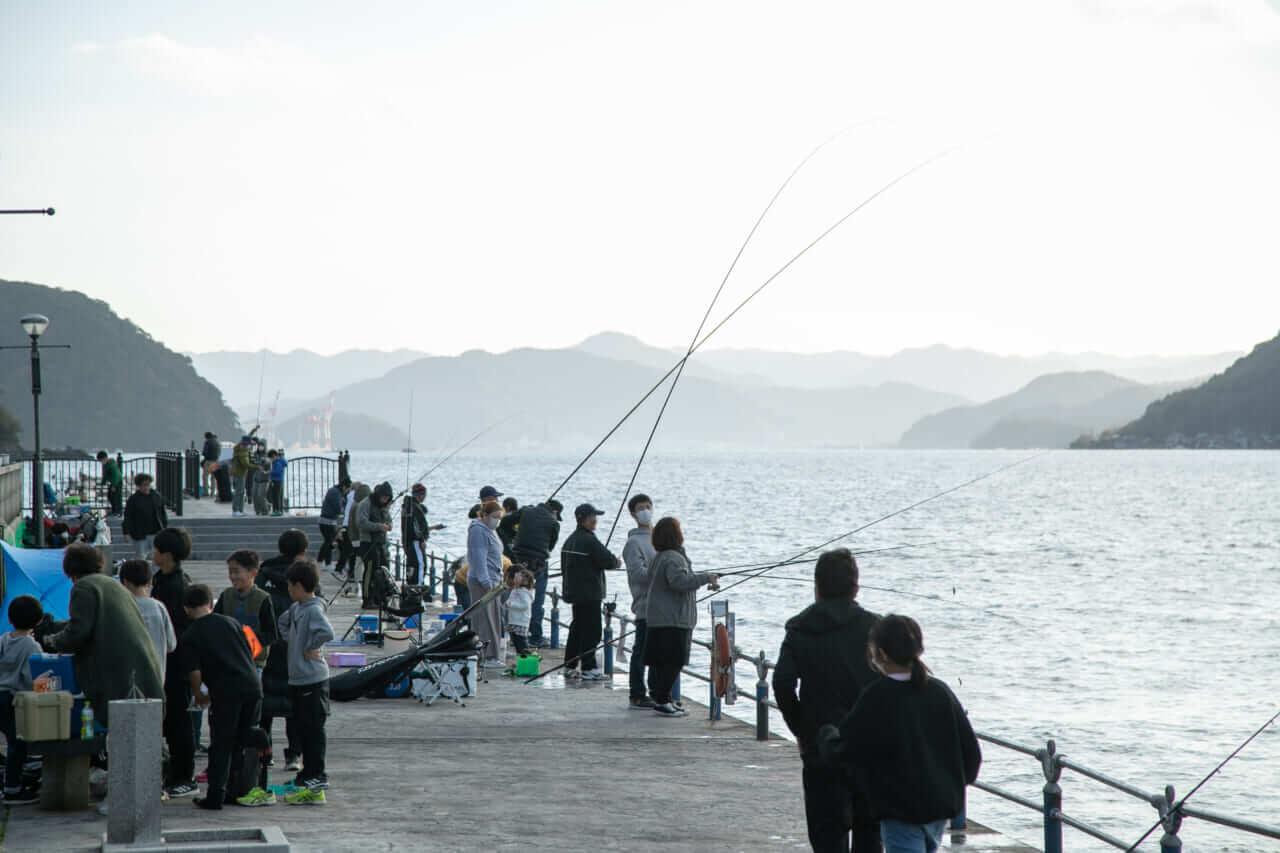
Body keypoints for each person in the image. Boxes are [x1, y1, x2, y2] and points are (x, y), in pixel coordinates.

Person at [818, 615, 981, 853]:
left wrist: (826, 734)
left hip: (901, 811)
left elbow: (846, 749)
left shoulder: (877, 696)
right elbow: (971, 753)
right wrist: (951, 786)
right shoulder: (940, 692)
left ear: (881, 654)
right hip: (938, 808)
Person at [773, 548, 882, 853]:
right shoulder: (875, 628)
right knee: (870, 835)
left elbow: (782, 684)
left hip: (819, 746)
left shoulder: (799, 628)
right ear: (856, 587)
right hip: (868, 750)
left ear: (817, 587)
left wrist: (801, 729)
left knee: (827, 838)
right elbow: (891, 686)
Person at [42, 544, 164, 728]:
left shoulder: (83, 587)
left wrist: (51, 640)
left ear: (71, 569)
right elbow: (96, 620)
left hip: (117, 675)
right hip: (140, 669)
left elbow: (78, 632)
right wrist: (58, 627)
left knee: (123, 731)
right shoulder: (113, 584)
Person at [181, 584, 265, 810]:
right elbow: (253, 650)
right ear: (210, 603)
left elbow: (194, 671)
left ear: (186, 609)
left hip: (227, 693)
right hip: (253, 686)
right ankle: (239, 790)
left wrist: (198, 694)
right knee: (241, 740)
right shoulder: (232, 623)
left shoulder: (191, 634)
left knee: (221, 744)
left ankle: (215, 796)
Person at [644, 517, 718, 716]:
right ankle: (662, 700)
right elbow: (679, 582)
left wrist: (701, 577)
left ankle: (664, 698)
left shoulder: (660, 557)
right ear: (676, 535)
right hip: (673, 619)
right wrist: (705, 578)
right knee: (674, 661)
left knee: (661, 661)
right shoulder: (673, 558)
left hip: (659, 617)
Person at [277, 558, 334, 802]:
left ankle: (317, 774)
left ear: (300, 586)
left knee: (313, 729)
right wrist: (293, 638)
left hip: (313, 678)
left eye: (290, 587)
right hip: (298, 678)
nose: (289, 591)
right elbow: (282, 621)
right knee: (302, 727)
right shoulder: (297, 608)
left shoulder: (312, 608)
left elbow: (327, 632)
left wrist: (310, 646)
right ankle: (306, 774)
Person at [149, 527, 198, 798]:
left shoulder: (179, 586)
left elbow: (182, 629)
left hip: (177, 663)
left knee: (180, 722)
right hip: (163, 662)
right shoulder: (160, 580)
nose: (153, 553)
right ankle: (173, 772)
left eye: (156, 548)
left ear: (167, 554)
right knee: (170, 721)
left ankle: (184, 776)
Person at [256, 530, 309, 772]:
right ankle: (294, 755)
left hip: (264, 649)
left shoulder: (263, 573)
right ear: (302, 552)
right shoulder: (303, 577)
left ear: (279, 549)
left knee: (263, 703)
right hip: (294, 650)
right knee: (295, 706)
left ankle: (263, 751)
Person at [560, 503, 620, 681]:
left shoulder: (570, 540)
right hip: (590, 593)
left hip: (575, 593)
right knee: (592, 631)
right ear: (584, 519)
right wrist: (616, 562)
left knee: (577, 629)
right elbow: (607, 560)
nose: (596, 520)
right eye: (594, 517)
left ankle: (570, 665)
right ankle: (588, 667)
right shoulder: (589, 539)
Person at [0, 595, 44, 804]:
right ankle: (12, 789)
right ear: (38, 621)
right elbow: (31, 679)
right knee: (17, 744)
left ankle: (9, 781)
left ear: (10, 619)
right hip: (12, 700)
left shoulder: (3, 639)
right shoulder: (31, 646)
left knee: (10, 742)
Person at [621, 493, 656, 709]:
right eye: (641, 507)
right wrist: (662, 572)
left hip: (663, 607)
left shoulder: (657, 538)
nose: (646, 510)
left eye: (649, 506)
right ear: (633, 514)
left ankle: (657, 693)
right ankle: (637, 693)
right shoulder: (633, 543)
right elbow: (638, 575)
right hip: (644, 606)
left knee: (657, 653)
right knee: (641, 651)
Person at [511, 499, 562, 648]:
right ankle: (535, 637)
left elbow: (507, 522)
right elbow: (551, 546)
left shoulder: (526, 511)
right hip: (539, 564)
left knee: (516, 598)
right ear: (555, 512)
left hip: (518, 561)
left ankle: (516, 635)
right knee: (537, 602)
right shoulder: (554, 523)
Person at [217, 550, 277, 671]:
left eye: (237, 572)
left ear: (253, 573)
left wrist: (248, 638)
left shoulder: (263, 599)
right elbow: (215, 624)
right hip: (228, 661)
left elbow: (271, 635)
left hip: (254, 664)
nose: (233, 576)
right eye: (230, 572)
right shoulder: (226, 596)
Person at [119, 559, 178, 681]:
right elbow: (171, 645)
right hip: (157, 679)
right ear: (150, 582)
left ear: (124, 582)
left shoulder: (119, 607)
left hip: (128, 680)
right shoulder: (159, 607)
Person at [466, 500, 506, 665]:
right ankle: (486, 655)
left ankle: (492, 654)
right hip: (483, 582)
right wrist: (486, 582)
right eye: (495, 517)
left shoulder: (489, 531)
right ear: (485, 515)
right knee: (484, 620)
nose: (497, 520)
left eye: (499, 517)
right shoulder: (478, 531)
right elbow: (479, 558)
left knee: (493, 619)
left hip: (494, 580)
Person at [356, 482, 394, 610]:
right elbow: (361, 523)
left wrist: (388, 525)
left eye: (387, 499)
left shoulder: (383, 506)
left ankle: (379, 598)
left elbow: (388, 518)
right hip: (368, 543)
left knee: (383, 570)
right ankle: (367, 599)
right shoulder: (365, 504)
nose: (385, 501)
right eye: (384, 498)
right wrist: (378, 526)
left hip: (380, 544)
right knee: (370, 572)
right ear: (378, 495)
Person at [402, 483, 444, 585]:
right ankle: (418, 588)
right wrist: (422, 540)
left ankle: (411, 586)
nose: (424, 498)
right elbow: (417, 528)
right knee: (420, 565)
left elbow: (413, 527)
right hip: (415, 542)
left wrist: (433, 528)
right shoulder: (416, 508)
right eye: (424, 495)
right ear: (420, 495)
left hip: (407, 541)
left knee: (412, 565)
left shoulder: (407, 506)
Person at [122, 472, 167, 559]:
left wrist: (164, 528)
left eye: (148, 485)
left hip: (156, 532)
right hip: (139, 534)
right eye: (144, 485)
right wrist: (126, 532)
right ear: (138, 486)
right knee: (140, 557)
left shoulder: (156, 496)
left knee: (158, 558)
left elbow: (162, 514)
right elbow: (127, 517)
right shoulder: (133, 499)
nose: (147, 487)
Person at [337, 482, 369, 581]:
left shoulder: (352, 499)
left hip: (348, 528)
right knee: (353, 554)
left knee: (352, 554)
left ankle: (350, 573)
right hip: (353, 531)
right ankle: (350, 574)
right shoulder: (357, 502)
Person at [317, 478, 350, 571]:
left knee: (329, 541)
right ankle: (326, 563)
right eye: (347, 490)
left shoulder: (333, 491)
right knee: (329, 542)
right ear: (344, 487)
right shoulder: (336, 493)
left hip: (326, 521)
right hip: (327, 522)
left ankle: (322, 561)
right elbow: (338, 508)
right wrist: (344, 510)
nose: (347, 492)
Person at [505, 569, 535, 658]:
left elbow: (525, 605)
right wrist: (508, 603)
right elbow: (511, 599)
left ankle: (527, 657)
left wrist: (511, 604)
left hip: (521, 621)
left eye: (517, 577)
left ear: (525, 581)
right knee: (515, 640)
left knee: (521, 641)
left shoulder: (524, 592)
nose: (515, 579)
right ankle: (521, 658)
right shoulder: (515, 590)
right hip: (514, 620)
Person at [229, 434, 257, 518]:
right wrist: (257, 466)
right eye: (249, 443)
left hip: (240, 473)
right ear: (246, 443)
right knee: (239, 492)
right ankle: (236, 510)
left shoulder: (238, 448)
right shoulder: (242, 451)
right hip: (240, 473)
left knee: (241, 492)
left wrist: (255, 429)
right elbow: (245, 464)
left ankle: (240, 510)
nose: (250, 446)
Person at [97, 451, 123, 516]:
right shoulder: (106, 465)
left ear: (104, 458)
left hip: (117, 482)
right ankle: (114, 510)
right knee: (110, 496)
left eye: (101, 460)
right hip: (113, 482)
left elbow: (115, 475)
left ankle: (118, 511)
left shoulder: (111, 465)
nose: (101, 462)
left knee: (116, 497)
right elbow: (105, 475)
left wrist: (114, 486)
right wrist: (102, 484)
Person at [267, 450, 287, 516]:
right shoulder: (277, 462)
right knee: (275, 496)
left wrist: (270, 472)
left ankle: (277, 510)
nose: (271, 459)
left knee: (276, 496)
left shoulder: (277, 463)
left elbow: (278, 471)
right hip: (276, 480)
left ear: (274, 456)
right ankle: (276, 510)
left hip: (277, 481)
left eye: (271, 458)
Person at [201, 432, 220, 497]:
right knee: (213, 478)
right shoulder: (217, 442)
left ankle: (206, 492)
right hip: (215, 461)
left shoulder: (208, 442)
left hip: (209, 461)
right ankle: (212, 493)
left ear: (207, 437)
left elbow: (204, 452)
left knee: (205, 477)